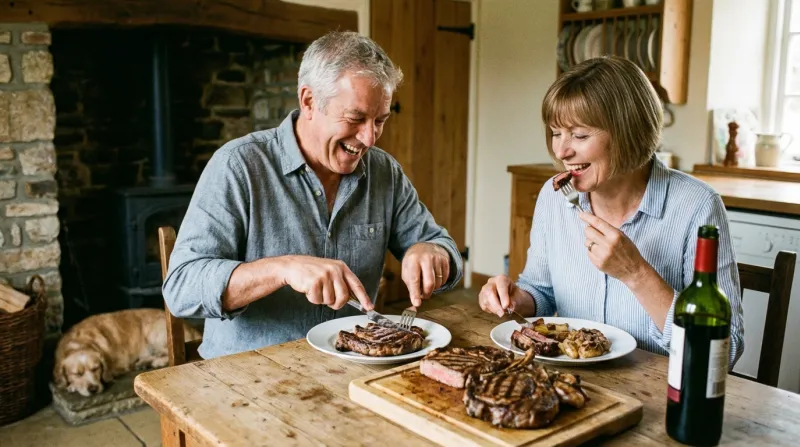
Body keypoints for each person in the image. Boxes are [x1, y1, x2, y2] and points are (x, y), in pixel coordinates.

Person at [163, 31, 463, 359]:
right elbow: (181, 288)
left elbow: (445, 249)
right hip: (247, 378)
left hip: (348, 371)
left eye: (380, 120)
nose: (370, 138)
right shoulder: (239, 165)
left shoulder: (384, 172)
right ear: (308, 101)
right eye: (356, 118)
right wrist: (282, 268)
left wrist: (432, 252)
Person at [478, 56, 744, 365]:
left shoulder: (697, 207)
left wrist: (636, 274)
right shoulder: (554, 197)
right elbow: (541, 291)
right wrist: (515, 299)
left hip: (660, 393)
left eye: (579, 135)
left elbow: (726, 350)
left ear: (628, 131)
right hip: (571, 385)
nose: (561, 151)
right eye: (555, 132)